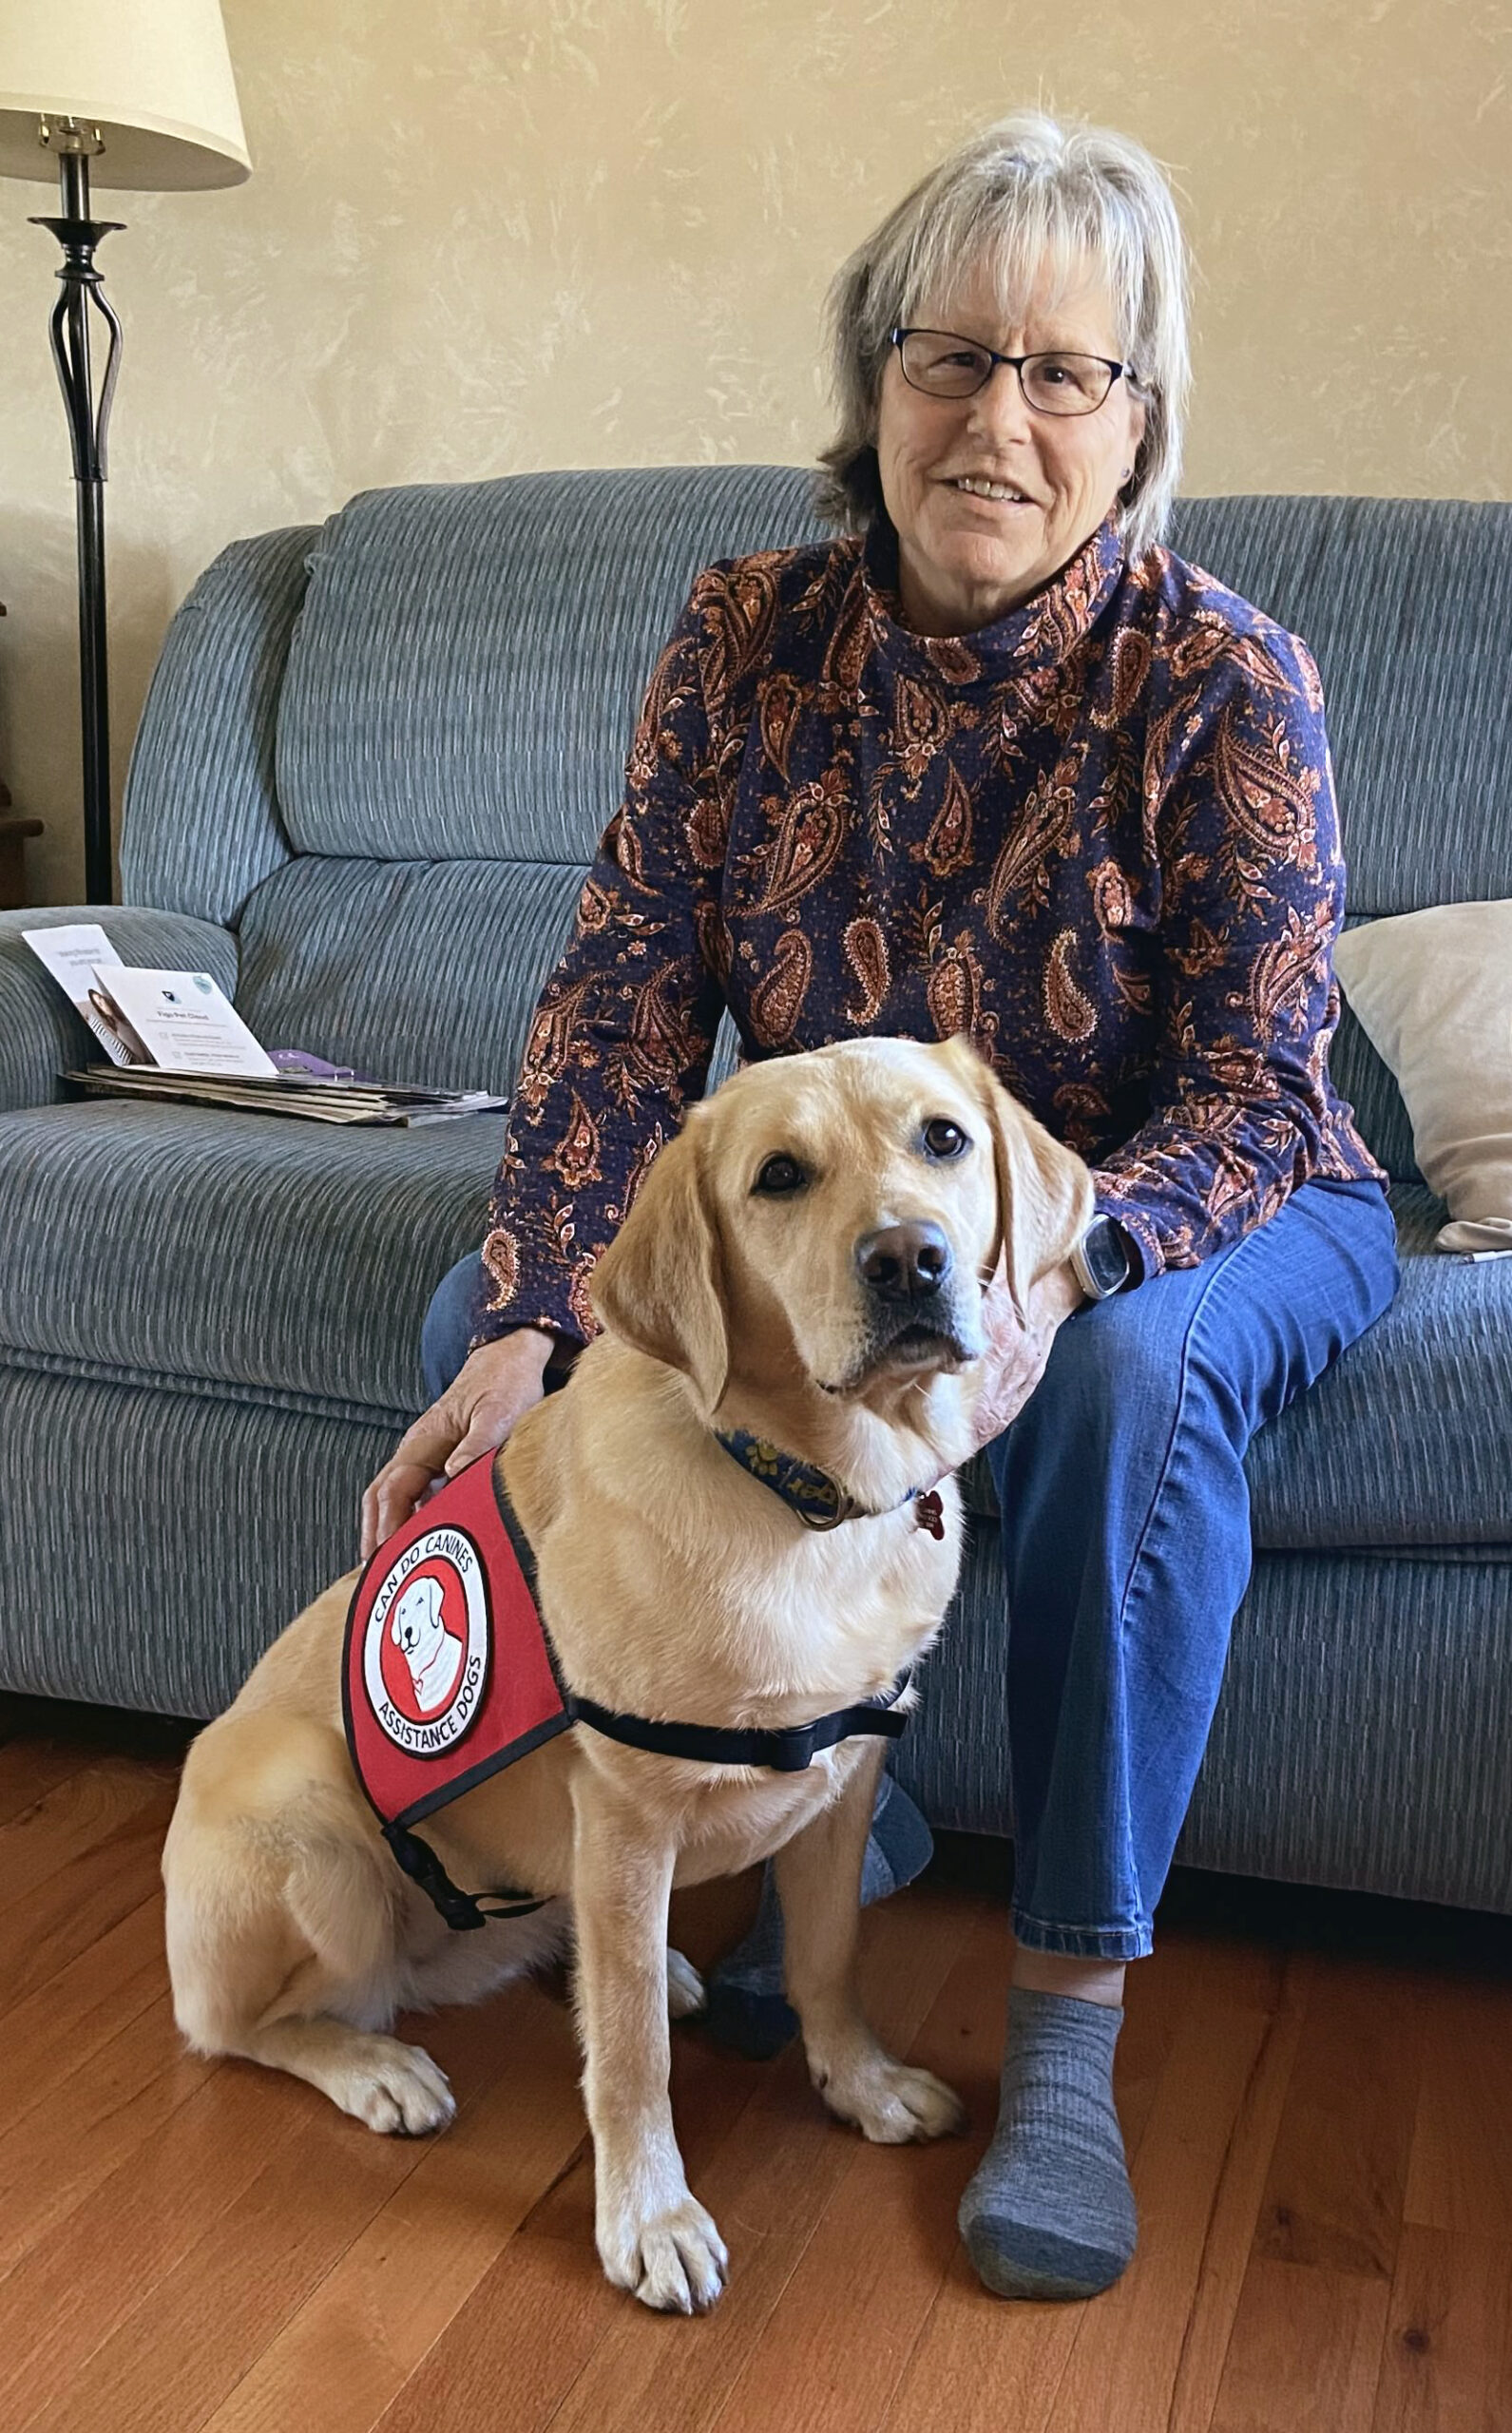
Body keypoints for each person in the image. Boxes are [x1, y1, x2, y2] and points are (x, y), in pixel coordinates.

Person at [361, 110, 1399, 2303]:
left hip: (1216, 1191)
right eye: (949, 357)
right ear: (870, 383)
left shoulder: (1226, 680)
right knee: (495, 1306)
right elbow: (624, 1004)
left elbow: (1246, 1078)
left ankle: (1064, 2030)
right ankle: (828, 1773)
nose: (998, 418)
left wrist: (1060, 1253)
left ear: (1137, 421)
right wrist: (538, 1309)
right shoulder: (744, 636)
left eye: (1066, 372)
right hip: (868, 1205)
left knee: (1112, 1374)